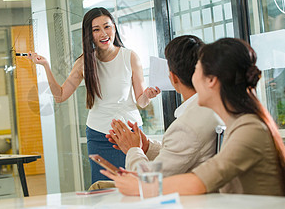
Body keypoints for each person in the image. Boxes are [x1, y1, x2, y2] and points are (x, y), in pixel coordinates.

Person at [102, 38, 285, 197]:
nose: (192, 76)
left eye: (197, 70)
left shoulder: (249, 128)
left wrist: (141, 185)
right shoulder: (239, 122)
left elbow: (200, 180)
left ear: (212, 81)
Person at [28, 7, 160, 183]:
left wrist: (148, 95)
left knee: (135, 187)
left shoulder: (130, 57)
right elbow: (60, 95)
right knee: (102, 192)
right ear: (89, 35)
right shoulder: (84, 62)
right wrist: (45, 65)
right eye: (96, 29)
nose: (103, 33)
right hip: (99, 136)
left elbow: (141, 102)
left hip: (130, 136)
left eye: (107, 27)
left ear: (114, 27)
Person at [90, 35, 223, 191]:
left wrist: (133, 149)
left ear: (172, 77)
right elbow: (180, 154)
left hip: (177, 195)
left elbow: (146, 182)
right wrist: (147, 146)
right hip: (184, 185)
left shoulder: (187, 126)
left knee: (97, 189)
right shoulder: (210, 109)